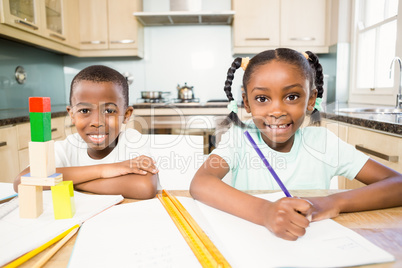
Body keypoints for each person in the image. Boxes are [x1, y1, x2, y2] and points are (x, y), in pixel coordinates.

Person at [190, 48, 402, 241]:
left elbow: (397, 184)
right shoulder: (240, 138)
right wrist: (265, 212)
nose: (277, 111)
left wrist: (331, 203)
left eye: (291, 96)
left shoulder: (323, 143)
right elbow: (201, 183)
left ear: (311, 99)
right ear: (246, 103)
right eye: (262, 99)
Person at [14, 65, 159, 199]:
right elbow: (21, 181)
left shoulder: (132, 140)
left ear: (126, 115)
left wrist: (69, 182)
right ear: (72, 115)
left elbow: (145, 187)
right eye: (84, 110)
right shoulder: (66, 147)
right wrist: (104, 170)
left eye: (109, 111)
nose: (97, 122)